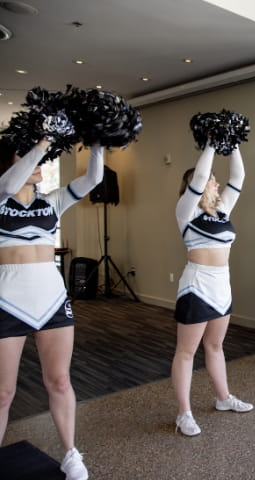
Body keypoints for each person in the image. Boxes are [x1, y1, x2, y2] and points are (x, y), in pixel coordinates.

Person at [0, 137, 103, 480]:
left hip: (51, 301)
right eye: (29, 156)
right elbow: (10, 182)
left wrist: (99, 147)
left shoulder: (52, 202)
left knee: (59, 381)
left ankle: (71, 453)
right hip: (6, 301)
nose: (40, 162)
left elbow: (92, 181)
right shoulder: (0, 194)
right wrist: (42, 140)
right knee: (3, 392)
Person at [172, 140, 252, 437]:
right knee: (186, 352)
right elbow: (202, 177)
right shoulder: (187, 211)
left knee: (216, 346)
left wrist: (232, 144)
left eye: (216, 181)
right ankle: (184, 413)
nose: (216, 184)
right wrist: (209, 145)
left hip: (222, 284)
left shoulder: (223, 209)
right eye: (211, 181)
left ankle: (223, 398)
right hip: (197, 285)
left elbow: (239, 177)